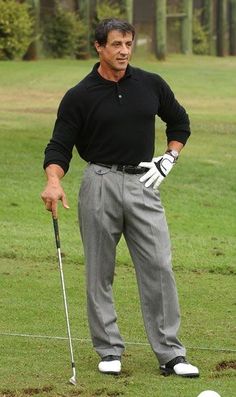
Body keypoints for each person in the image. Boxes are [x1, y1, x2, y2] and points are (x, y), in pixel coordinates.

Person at [41, 18, 199, 378]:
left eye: (128, 43)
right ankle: (109, 349)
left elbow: (180, 121)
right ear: (99, 47)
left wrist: (169, 158)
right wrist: (53, 180)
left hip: (145, 183)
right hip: (99, 181)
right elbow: (59, 147)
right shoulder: (80, 95)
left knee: (159, 266)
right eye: (116, 44)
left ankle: (171, 354)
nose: (124, 51)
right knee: (100, 270)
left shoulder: (151, 84)